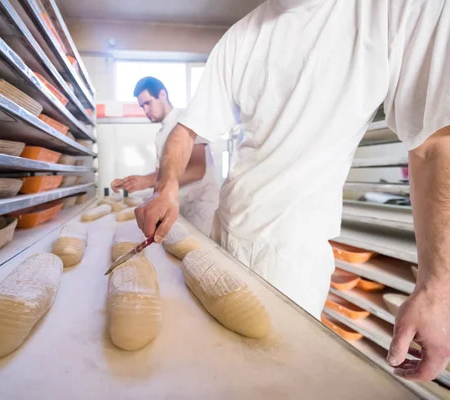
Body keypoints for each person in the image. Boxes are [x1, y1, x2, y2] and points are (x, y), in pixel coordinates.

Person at [135, 0, 450, 382]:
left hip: (291, 257)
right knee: (214, 372)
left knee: (274, 380)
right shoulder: (241, 36)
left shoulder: (393, 9)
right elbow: (186, 131)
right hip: (225, 233)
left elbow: (434, 143)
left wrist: (437, 285)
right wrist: (166, 186)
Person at [111, 77, 219, 235]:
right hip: (179, 207)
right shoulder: (161, 134)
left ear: (162, 94)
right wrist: (135, 182)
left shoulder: (188, 120)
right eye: (142, 106)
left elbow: (197, 170)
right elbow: (161, 175)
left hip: (200, 208)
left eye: (148, 103)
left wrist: (146, 181)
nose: (146, 111)